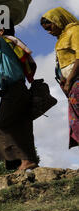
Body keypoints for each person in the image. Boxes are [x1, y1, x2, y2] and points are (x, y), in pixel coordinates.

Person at [0, 1, 39, 171]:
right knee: (20, 125)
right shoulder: (14, 44)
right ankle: (27, 160)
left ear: (0, 31)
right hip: (20, 90)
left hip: (14, 91)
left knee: (1, 126)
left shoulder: (5, 42)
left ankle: (22, 160)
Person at [40, 7, 79, 149]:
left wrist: (69, 81)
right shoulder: (60, 38)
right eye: (46, 30)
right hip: (71, 83)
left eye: (50, 26)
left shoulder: (74, 31)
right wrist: (63, 80)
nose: (49, 31)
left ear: (58, 20)